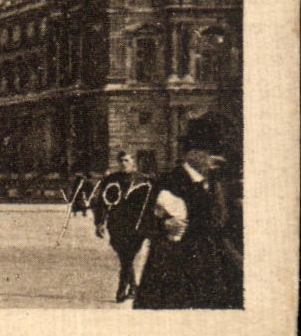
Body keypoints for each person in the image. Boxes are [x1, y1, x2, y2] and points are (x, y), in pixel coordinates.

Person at [134, 118, 242, 309]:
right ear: (192, 154)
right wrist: (164, 225)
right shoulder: (168, 181)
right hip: (174, 267)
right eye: (210, 153)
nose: (217, 159)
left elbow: (225, 222)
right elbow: (143, 223)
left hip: (212, 266)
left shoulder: (216, 183)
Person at [92, 150, 150, 302]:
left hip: (136, 225)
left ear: (133, 163)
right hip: (116, 224)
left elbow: (148, 204)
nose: (124, 164)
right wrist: (99, 222)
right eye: (122, 161)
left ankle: (121, 289)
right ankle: (133, 287)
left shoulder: (142, 180)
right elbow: (102, 203)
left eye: (127, 161)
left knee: (128, 256)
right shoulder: (112, 179)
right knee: (125, 256)